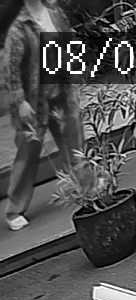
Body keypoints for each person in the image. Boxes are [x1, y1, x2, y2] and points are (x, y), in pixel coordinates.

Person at [2, 0, 83, 232]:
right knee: (28, 151)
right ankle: (14, 210)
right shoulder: (19, 26)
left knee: (74, 141)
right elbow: (11, 68)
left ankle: (84, 186)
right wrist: (20, 102)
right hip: (34, 99)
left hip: (61, 90)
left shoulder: (54, 12)